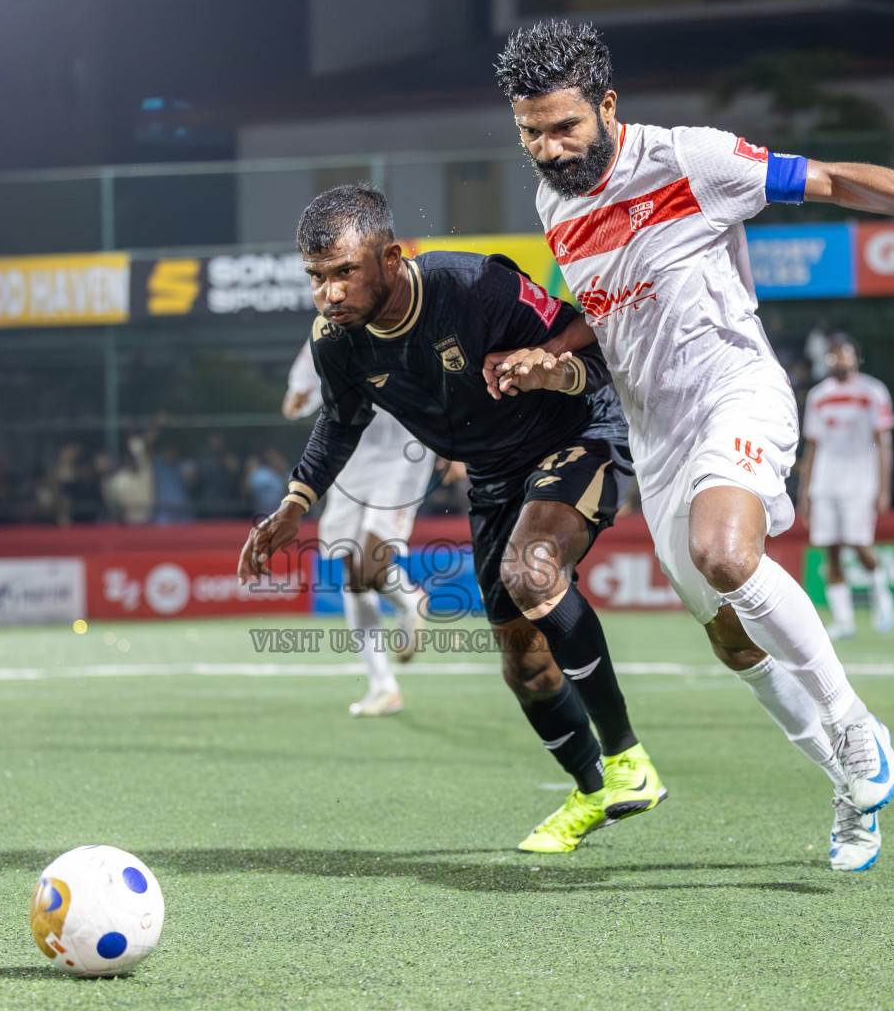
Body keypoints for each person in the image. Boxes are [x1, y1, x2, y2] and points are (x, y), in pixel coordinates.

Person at [490, 21, 894, 870]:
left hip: (736, 391)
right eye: (532, 133)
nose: (551, 148)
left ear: (606, 105)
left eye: (565, 126)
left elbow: (833, 180)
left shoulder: (691, 159)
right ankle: (850, 790)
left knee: (724, 550)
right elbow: (605, 323)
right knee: (733, 641)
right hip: (658, 438)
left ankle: (857, 726)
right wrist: (547, 360)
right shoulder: (553, 205)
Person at [240, 184, 658, 853]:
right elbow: (340, 422)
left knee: (533, 570)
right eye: (316, 278)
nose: (330, 294)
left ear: (392, 257)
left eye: (345, 272)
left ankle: (627, 758)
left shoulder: (473, 285)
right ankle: (590, 791)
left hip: (573, 435)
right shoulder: (336, 344)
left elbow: (597, 344)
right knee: (524, 665)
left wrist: (548, 370)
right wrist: (296, 502)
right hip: (494, 476)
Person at [283, 340, 432, 716]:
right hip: (348, 456)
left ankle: (411, 601)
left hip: (403, 455)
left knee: (369, 565)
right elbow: (300, 392)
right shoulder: (328, 331)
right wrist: (300, 396)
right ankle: (383, 685)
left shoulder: (410, 311)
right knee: (352, 572)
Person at [799, 333, 894, 640]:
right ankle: (844, 620)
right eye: (835, 355)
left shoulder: (873, 391)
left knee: (858, 543)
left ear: (857, 357)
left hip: (860, 480)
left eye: (846, 354)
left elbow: (884, 442)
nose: (841, 360)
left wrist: (884, 487)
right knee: (831, 551)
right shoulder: (818, 395)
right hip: (825, 483)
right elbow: (812, 446)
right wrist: (805, 490)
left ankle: (881, 592)